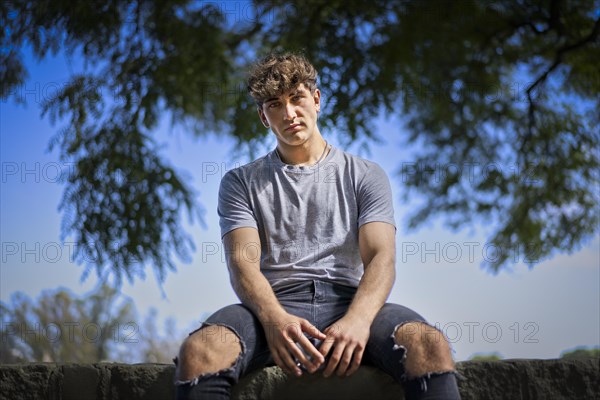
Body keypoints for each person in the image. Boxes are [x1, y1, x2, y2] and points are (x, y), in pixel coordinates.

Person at [174, 52, 461, 400]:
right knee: (201, 350)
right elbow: (243, 265)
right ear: (263, 117)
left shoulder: (366, 175)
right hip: (273, 305)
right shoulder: (240, 182)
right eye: (274, 104)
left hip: (352, 301)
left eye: (296, 98)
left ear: (316, 99)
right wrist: (274, 320)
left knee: (428, 345)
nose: (289, 113)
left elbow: (381, 258)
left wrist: (357, 320)